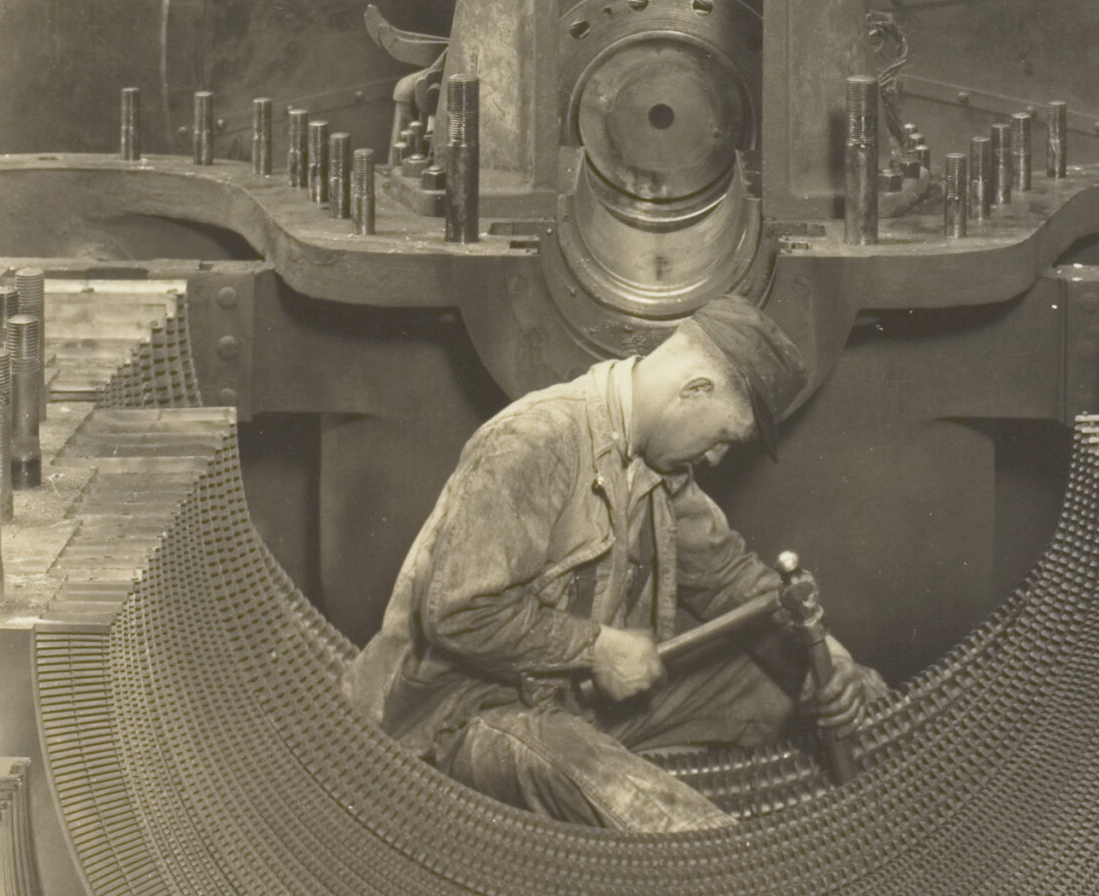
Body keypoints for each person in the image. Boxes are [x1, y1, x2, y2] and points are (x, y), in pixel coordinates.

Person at [341, 296, 890, 831]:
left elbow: (730, 580)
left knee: (812, 690)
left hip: (581, 704)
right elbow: (459, 614)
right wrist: (597, 648)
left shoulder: (660, 466)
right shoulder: (533, 440)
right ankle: (736, 870)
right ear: (695, 389)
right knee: (644, 807)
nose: (717, 456)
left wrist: (827, 663)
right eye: (725, 435)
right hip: (467, 717)